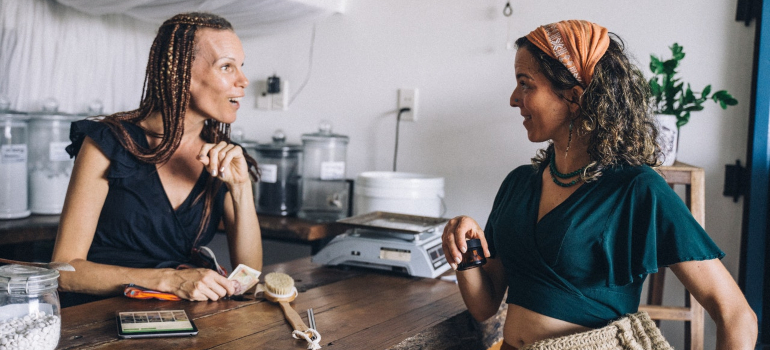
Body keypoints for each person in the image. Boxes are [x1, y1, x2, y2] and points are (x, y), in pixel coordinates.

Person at [442, 20, 757, 349]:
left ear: (573, 94)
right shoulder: (518, 185)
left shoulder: (637, 189)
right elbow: (484, 306)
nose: (513, 98)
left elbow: (737, 315)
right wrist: (466, 244)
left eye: (526, 84)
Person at [52, 12, 262, 305]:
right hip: (97, 316)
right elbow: (64, 271)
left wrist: (240, 188)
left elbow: (249, 279)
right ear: (181, 73)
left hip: (179, 320)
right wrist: (167, 280)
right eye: (227, 67)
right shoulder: (108, 142)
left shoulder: (223, 155)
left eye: (241, 67)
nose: (244, 80)